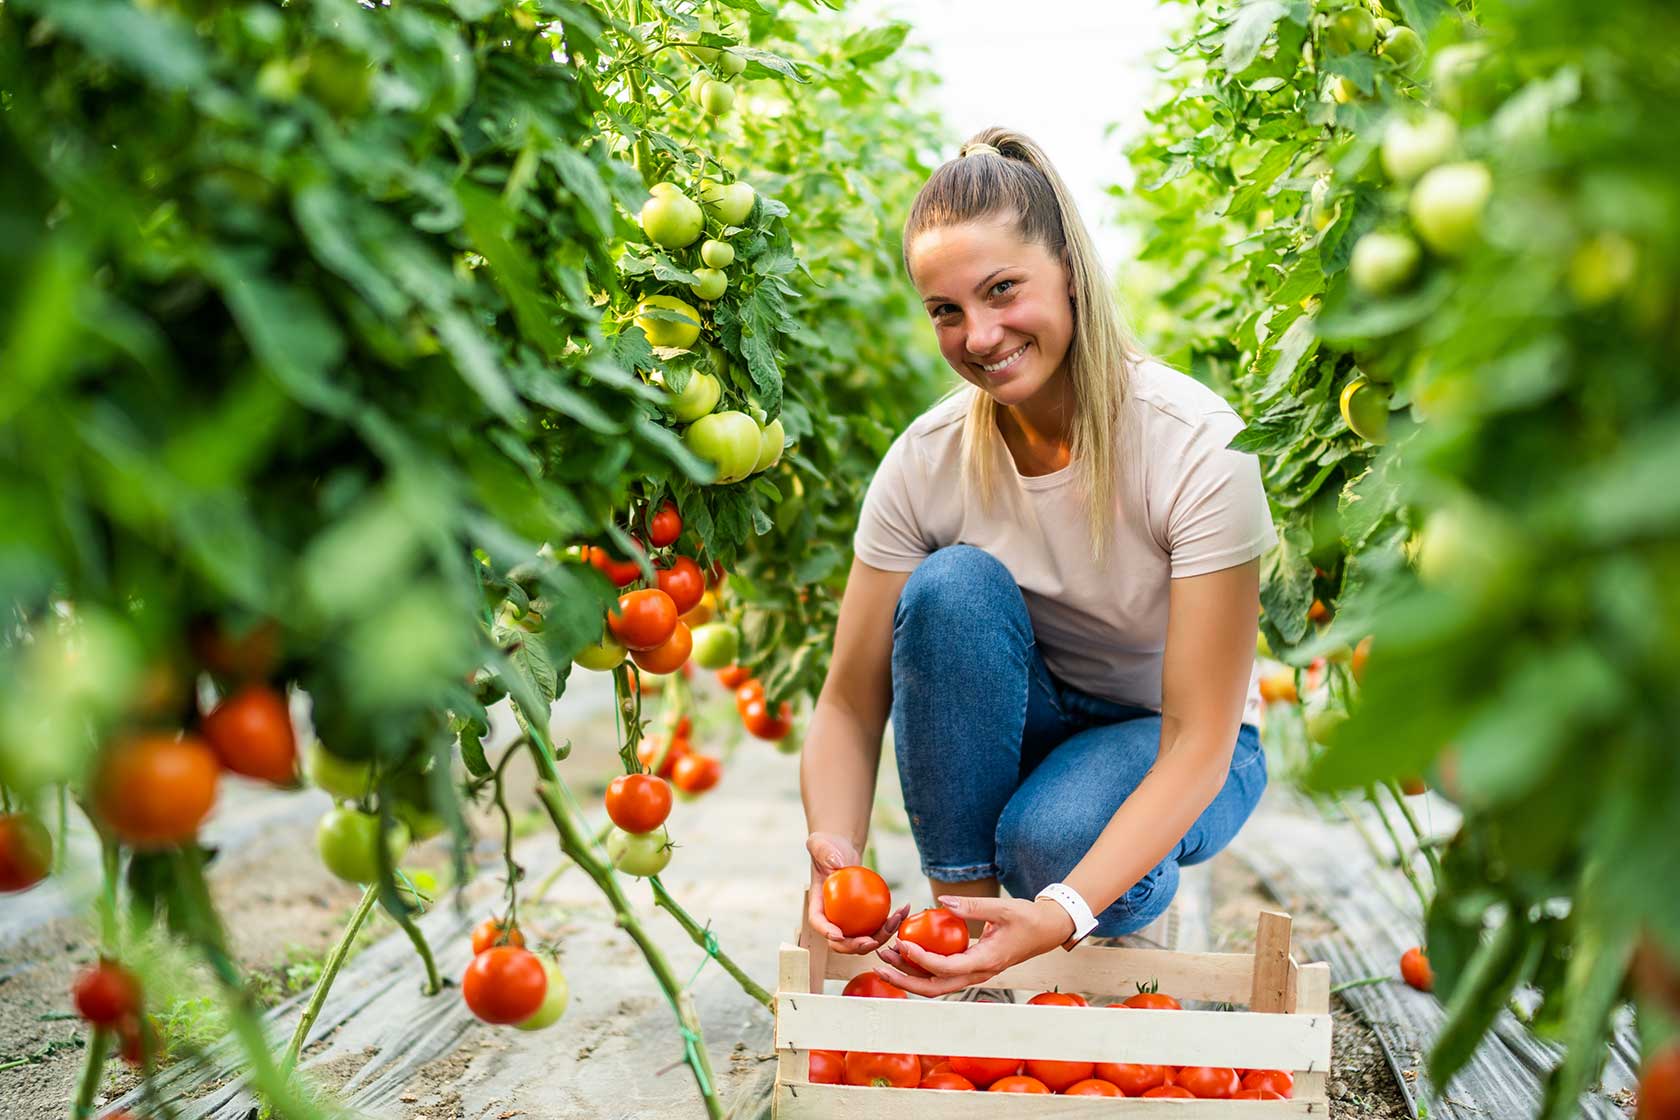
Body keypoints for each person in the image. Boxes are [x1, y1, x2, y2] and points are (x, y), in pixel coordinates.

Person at [798, 127, 1276, 1000]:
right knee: (949, 588)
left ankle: (1111, 899)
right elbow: (847, 700)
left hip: (1178, 739)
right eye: (946, 310)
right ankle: (966, 945)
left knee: (1051, 843)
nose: (978, 335)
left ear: (1067, 268)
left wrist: (1061, 907)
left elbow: (1200, 735)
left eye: (1002, 290)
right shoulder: (926, 460)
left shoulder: (1198, 446)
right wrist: (836, 846)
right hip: (1033, 718)